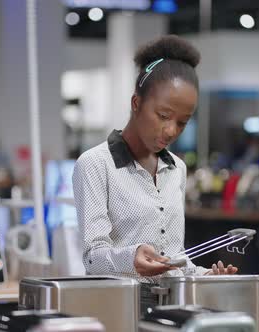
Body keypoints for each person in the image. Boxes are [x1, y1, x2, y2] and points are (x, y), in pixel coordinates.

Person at [72, 35, 238, 313]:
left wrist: (205, 276)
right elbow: (92, 257)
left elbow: (174, 257)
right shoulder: (95, 164)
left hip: (173, 307)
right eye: (163, 115)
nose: (172, 130)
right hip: (118, 308)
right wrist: (130, 257)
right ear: (136, 104)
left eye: (182, 123)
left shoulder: (177, 168)